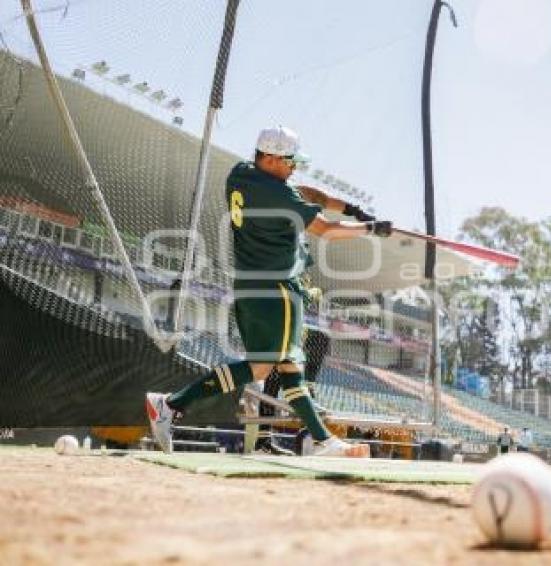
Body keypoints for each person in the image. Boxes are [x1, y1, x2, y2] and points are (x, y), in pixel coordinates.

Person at [145, 126, 392, 457]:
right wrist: (370, 229)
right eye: (291, 161)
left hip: (249, 285)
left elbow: (306, 193)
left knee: (288, 364)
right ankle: (172, 404)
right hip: (277, 288)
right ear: (273, 159)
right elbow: (326, 231)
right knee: (264, 366)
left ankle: (323, 441)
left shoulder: (242, 174)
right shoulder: (278, 195)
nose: (294, 167)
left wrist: (351, 209)